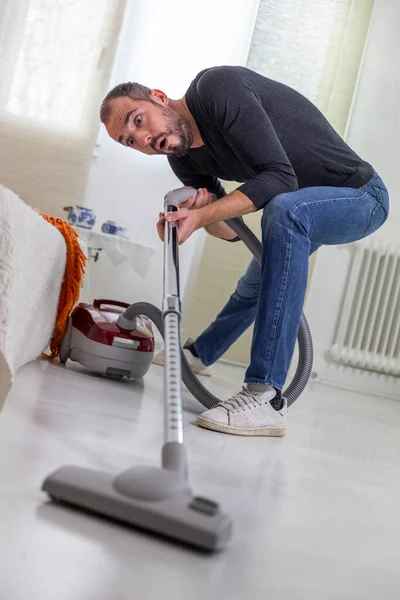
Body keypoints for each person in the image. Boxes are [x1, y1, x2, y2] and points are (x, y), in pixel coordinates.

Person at [100, 65, 389, 437]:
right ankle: (201, 353)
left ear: (158, 96)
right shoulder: (183, 157)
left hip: (361, 197)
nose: (143, 138)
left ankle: (265, 396)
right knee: (260, 276)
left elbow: (279, 178)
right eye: (130, 140)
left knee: (284, 209)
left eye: (138, 120)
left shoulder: (217, 89)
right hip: (302, 207)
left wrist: (204, 212)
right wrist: (196, 217)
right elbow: (232, 232)